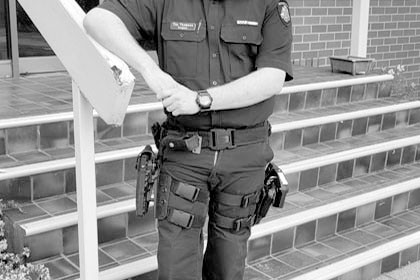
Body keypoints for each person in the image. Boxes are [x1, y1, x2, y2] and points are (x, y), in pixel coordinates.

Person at [84, 0, 293, 279]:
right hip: (185, 153)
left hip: (244, 156)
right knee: (175, 266)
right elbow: (97, 20)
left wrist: (201, 100)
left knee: (228, 267)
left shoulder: (268, 4)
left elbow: (272, 78)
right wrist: (151, 71)